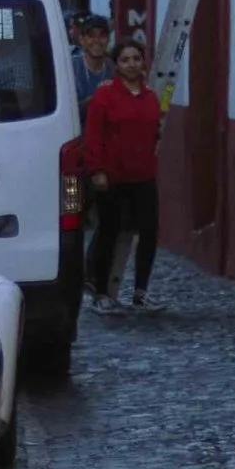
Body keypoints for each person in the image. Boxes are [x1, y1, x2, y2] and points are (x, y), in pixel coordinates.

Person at [83, 36, 163, 307]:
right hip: (112, 177)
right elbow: (94, 135)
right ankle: (102, 291)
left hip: (143, 176)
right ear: (116, 64)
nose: (132, 64)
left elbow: (154, 134)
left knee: (149, 232)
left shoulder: (151, 97)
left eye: (136, 59)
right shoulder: (105, 95)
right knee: (110, 231)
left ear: (143, 62)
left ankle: (141, 291)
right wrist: (97, 170)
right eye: (125, 60)